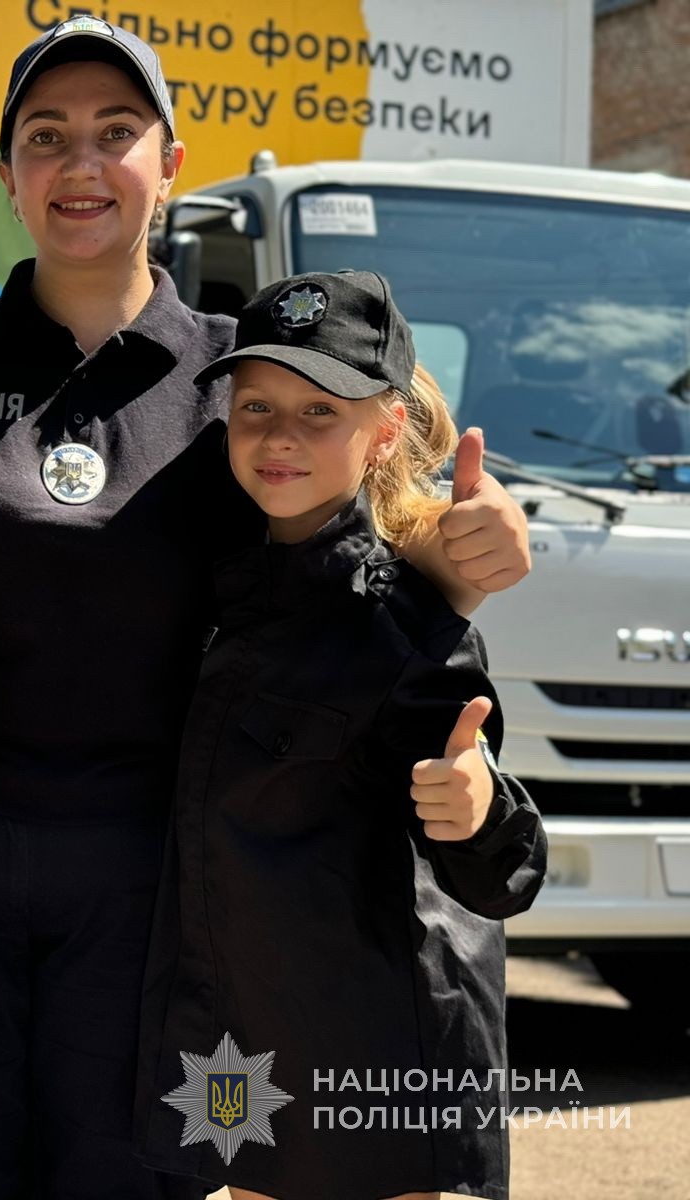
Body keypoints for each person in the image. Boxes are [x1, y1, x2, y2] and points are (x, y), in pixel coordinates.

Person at [0, 19, 533, 1199]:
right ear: (8, 176)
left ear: (170, 164)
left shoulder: (240, 379)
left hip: (163, 894)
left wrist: (451, 550)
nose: (79, 164)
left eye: (114, 133)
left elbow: (340, 556)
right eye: (46, 137)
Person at [133, 271, 547, 1200]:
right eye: (256, 406)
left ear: (386, 431)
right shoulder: (211, 591)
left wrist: (477, 811)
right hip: (241, 1041)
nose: (280, 435)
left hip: (379, 1055)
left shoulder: (406, 620)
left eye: (321, 409)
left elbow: (503, 873)